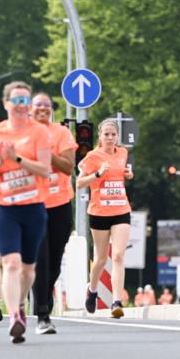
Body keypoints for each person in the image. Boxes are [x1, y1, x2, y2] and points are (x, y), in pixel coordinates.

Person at [0, 81, 51, 344]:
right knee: (10, 262)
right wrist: (1, 160)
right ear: (6, 103)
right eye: (17, 101)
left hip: (32, 206)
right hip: (3, 206)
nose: (21, 106)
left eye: (25, 101)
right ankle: (14, 318)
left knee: (28, 268)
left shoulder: (39, 132)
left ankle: (20, 304)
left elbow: (45, 170)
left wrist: (18, 159)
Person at [77, 119, 133, 319]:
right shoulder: (92, 156)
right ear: (100, 137)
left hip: (121, 209)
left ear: (117, 137)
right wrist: (98, 174)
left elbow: (122, 173)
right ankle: (92, 290)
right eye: (106, 134)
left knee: (117, 255)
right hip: (99, 212)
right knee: (100, 259)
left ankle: (116, 301)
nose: (110, 138)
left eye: (113, 134)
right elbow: (79, 182)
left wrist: (129, 174)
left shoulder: (123, 153)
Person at [31, 93, 77, 335]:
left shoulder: (61, 133)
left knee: (55, 260)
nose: (42, 109)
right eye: (38, 105)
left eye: (46, 105)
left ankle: (44, 289)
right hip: (33, 204)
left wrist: (49, 154)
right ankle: (42, 313)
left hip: (60, 203)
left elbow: (69, 167)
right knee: (42, 258)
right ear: (30, 109)